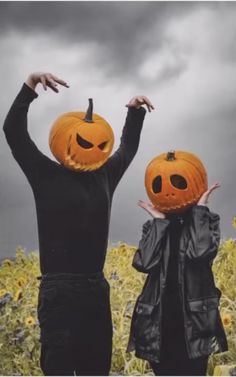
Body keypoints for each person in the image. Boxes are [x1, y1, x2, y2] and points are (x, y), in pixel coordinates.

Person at [3, 72, 154, 376]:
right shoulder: (44, 174)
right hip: (58, 289)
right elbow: (13, 131)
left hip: (95, 288)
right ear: (62, 140)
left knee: (96, 369)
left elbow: (127, 148)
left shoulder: (105, 176)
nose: (94, 148)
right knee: (58, 369)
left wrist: (134, 112)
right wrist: (30, 85)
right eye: (85, 142)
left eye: (100, 144)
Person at [127, 183, 228, 376]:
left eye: (180, 183)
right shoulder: (153, 226)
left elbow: (200, 253)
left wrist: (200, 209)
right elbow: (144, 263)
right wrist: (159, 222)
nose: (171, 190)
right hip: (158, 322)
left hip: (194, 323)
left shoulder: (207, 220)